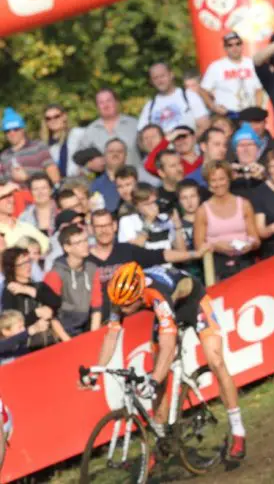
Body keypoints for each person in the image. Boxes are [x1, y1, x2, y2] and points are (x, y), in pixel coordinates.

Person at [85, 262, 247, 460]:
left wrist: (152, 381)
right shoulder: (120, 296)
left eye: (127, 305)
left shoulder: (156, 295)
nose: (123, 310)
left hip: (192, 303)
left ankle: (238, 430)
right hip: (167, 311)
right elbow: (111, 336)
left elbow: (168, 347)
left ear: (138, 295)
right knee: (159, 378)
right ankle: (161, 443)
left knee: (216, 362)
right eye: (120, 305)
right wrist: (96, 371)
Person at [194, 161, 261, 280]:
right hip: (217, 266)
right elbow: (199, 246)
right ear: (208, 183)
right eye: (213, 180)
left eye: (222, 179)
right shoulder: (202, 211)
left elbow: (256, 240)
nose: (218, 184)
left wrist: (249, 245)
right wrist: (215, 246)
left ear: (228, 179)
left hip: (244, 262)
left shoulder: (244, 204)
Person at [43, 224, 103, 339]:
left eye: (85, 240)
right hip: (60, 334)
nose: (85, 245)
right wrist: (67, 341)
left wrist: (94, 336)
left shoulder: (91, 268)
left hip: (83, 328)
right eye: (78, 243)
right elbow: (50, 314)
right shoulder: (55, 274)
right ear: (67, 247)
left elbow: (97, 306)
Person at [200, 32, 264, 115]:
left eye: (238, 44)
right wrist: (213, 107)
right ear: (225, 48)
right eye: (230, 45)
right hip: (227, 115)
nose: (235, 48)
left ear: (242, 45)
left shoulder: (251, 64)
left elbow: (258, 90)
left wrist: (257, 110)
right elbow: (203, 90)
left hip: (249, 114)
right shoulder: (216, 66)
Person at [137, 63, 210, 134]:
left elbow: (204, 126)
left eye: (162, 76)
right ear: (151, 81)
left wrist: (185, 142)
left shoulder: (189, 96)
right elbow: (141, 136)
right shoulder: (149, 106)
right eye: (155, 78)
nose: (160, 81)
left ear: (171, 75)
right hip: (163, 146)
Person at [0, 108, 61, 186]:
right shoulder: (3, 155)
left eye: (16, 129)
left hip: (37, 196)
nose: (12, 133)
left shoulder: (38, 147)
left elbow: (54, 177)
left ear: (23, 129)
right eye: (7, 131)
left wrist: (27, 178)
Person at [80, 88, 141, 167]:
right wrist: (90, 165)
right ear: (97, 107)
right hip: (105, 178)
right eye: (101, 102)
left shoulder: (134, 124)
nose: (105, 105)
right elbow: (79, 157)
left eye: (109, 101)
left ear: (116, 102)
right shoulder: (91, 130)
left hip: (135, 176)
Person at [41, 104, 84, 178]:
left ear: (64, 116)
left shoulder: (77, 134)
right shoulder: (47, 145)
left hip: (80, 181)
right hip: (60, 184)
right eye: (48, 118)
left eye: (56, 116)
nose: (53, 120)